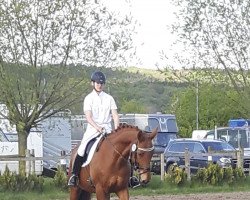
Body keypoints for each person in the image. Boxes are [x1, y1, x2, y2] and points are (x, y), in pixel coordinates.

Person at [68, 71, 120, 187]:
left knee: (121, 150)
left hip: (108, 129)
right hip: (93, 129)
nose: (99, 85)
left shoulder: (109, 98)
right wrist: (97, 127)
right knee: (81, 149)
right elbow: (88, 117)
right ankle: (74, 175)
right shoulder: (88, 98)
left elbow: (115, 115)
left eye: (101, 83)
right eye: (97, 83)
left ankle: (130, 177)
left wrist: (117, 129)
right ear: (93, 83)